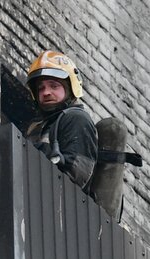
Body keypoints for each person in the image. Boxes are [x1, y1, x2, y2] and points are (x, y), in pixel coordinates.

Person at [24, 51, 98, 189]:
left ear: (70, 88)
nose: (46, 92)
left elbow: (77, 175)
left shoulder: (76, 119)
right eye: (41, 88)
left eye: (54, 86)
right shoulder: (37, 127)